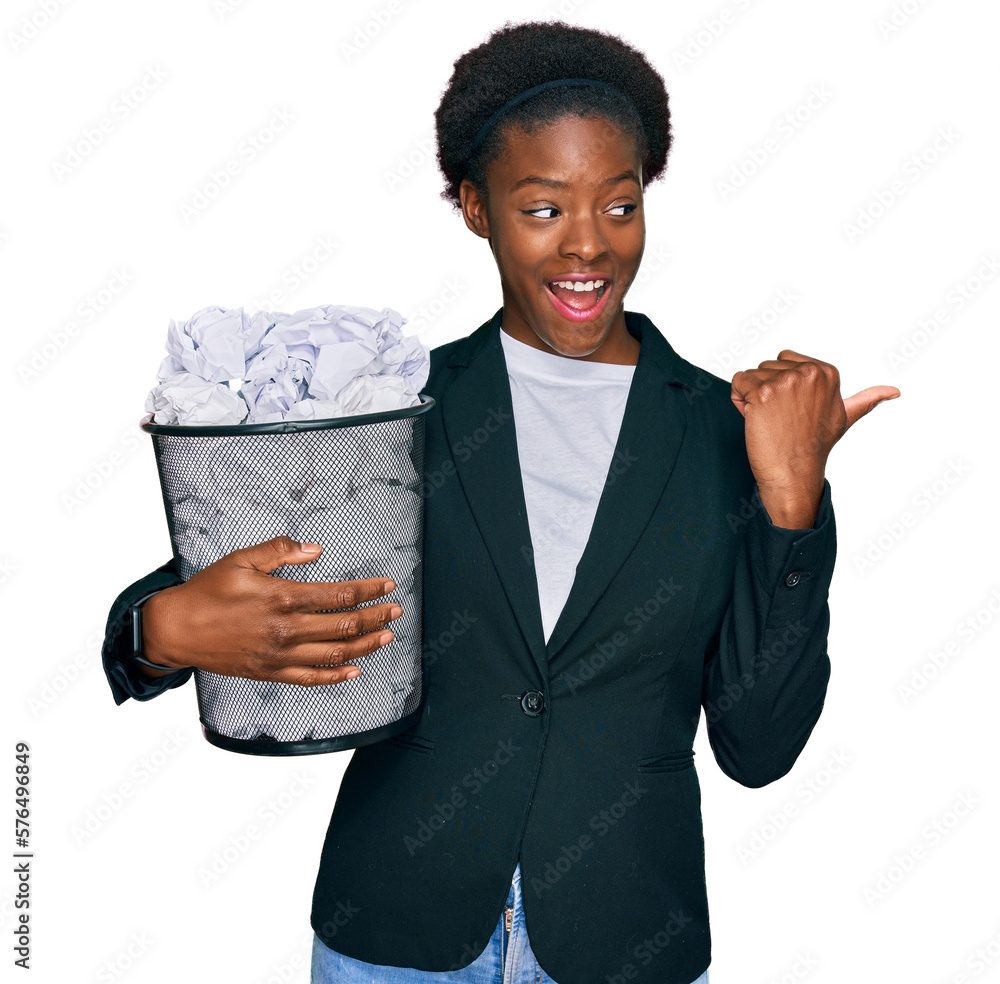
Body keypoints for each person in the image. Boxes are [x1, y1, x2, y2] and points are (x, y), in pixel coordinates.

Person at [101, 20, 899, 984]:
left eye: (619, 205)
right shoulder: (398, 409)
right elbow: (210, 585)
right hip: (397, 933)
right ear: (477, 209)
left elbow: (760, 746)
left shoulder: (734, 440)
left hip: (622, 938)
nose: (587, 246)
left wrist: (791, 498)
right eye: (542, 208)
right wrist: (158, 631)